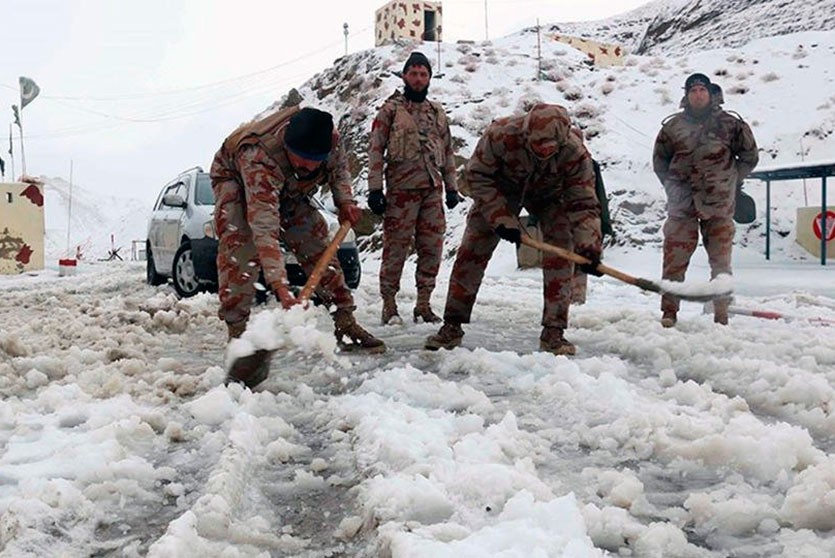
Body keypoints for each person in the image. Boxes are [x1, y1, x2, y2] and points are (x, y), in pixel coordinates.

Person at [211, 105, 385, 387]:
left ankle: (345, 324)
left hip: (291, 189)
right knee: (239, 248)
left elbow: (339, 171)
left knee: (318, 245)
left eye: (312, 162)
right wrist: (281, 288)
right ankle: (239, 337)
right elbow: (264, 227)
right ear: (287, 146)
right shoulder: (259, 157)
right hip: (236, 180)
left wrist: (345, 202)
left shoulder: (331, 141)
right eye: (299, 158)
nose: (305, 166)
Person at [425, 103, 602, 356]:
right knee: (472, 249)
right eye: (536, 143)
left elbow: (583, 202)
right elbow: (477, 176)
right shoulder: (501, 134)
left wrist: (589, 246)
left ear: (560, 142)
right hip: (500, 189)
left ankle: (554, 331)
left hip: (550, 195)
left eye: (548, 146)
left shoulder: (575, 153)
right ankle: (452, 324)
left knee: (563, 250)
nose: (541, 149)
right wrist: (501, 219)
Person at [653, 73, 759, 327]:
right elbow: (660, 161)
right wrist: (673, 188)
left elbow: (749, 156)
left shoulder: (731, 125)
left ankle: (721, 314)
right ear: (686, 95)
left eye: (702, 90)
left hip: (719, 205)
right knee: (673, 262)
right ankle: (669, 313)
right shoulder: (672, 127)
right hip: (682, 207)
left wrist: (730, 180)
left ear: (711, 94)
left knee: (721, 264)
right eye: (693, 91)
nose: (698, 94)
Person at [367, 51, 461, 325]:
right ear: (405, 76)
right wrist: (375, 190)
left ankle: (423, 304)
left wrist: (452, 187)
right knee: (395, 248)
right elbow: (375, 150)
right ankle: (389, 304)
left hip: (432, 191)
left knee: (432, 248)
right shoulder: (390, 110)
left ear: (429, 78)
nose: (419, 79)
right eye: (414, 73)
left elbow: (448, 151)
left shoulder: (437, 113)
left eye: (423, 74)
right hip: (401, 192)